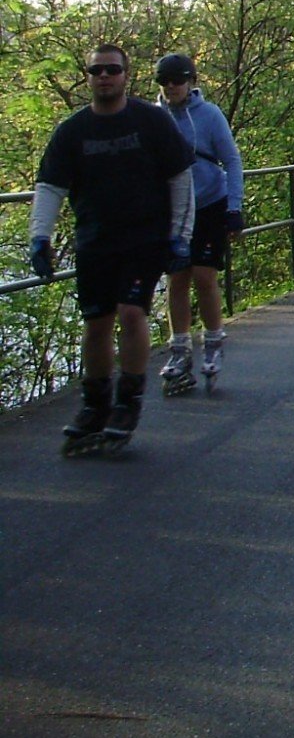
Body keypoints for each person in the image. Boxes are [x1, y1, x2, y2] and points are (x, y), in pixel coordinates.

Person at [28, 43, 194, 454]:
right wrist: (40, 237)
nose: (105, 77)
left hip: (143, 239)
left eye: (112, 70)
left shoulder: (151, 121)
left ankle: (128, 401)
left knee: (132, 311)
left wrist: (180, 236)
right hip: (95, 241)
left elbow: (180, 178)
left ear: (126, 75)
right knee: (97, 323)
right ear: (88, 76)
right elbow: (50, 186)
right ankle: (95, 405)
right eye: (97, 70)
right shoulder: (72, 131)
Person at [154, 53, 245, 395]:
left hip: (209, 203)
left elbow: (232, 160)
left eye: (177, 80)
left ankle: (213, 341)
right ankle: (179, 349)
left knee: (205, 276)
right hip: (173, 210)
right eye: (164, 82)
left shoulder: (208, 115)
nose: (171, 87)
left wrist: (234, 207)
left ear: (190, 81)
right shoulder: (155, 118)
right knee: (177, 279)